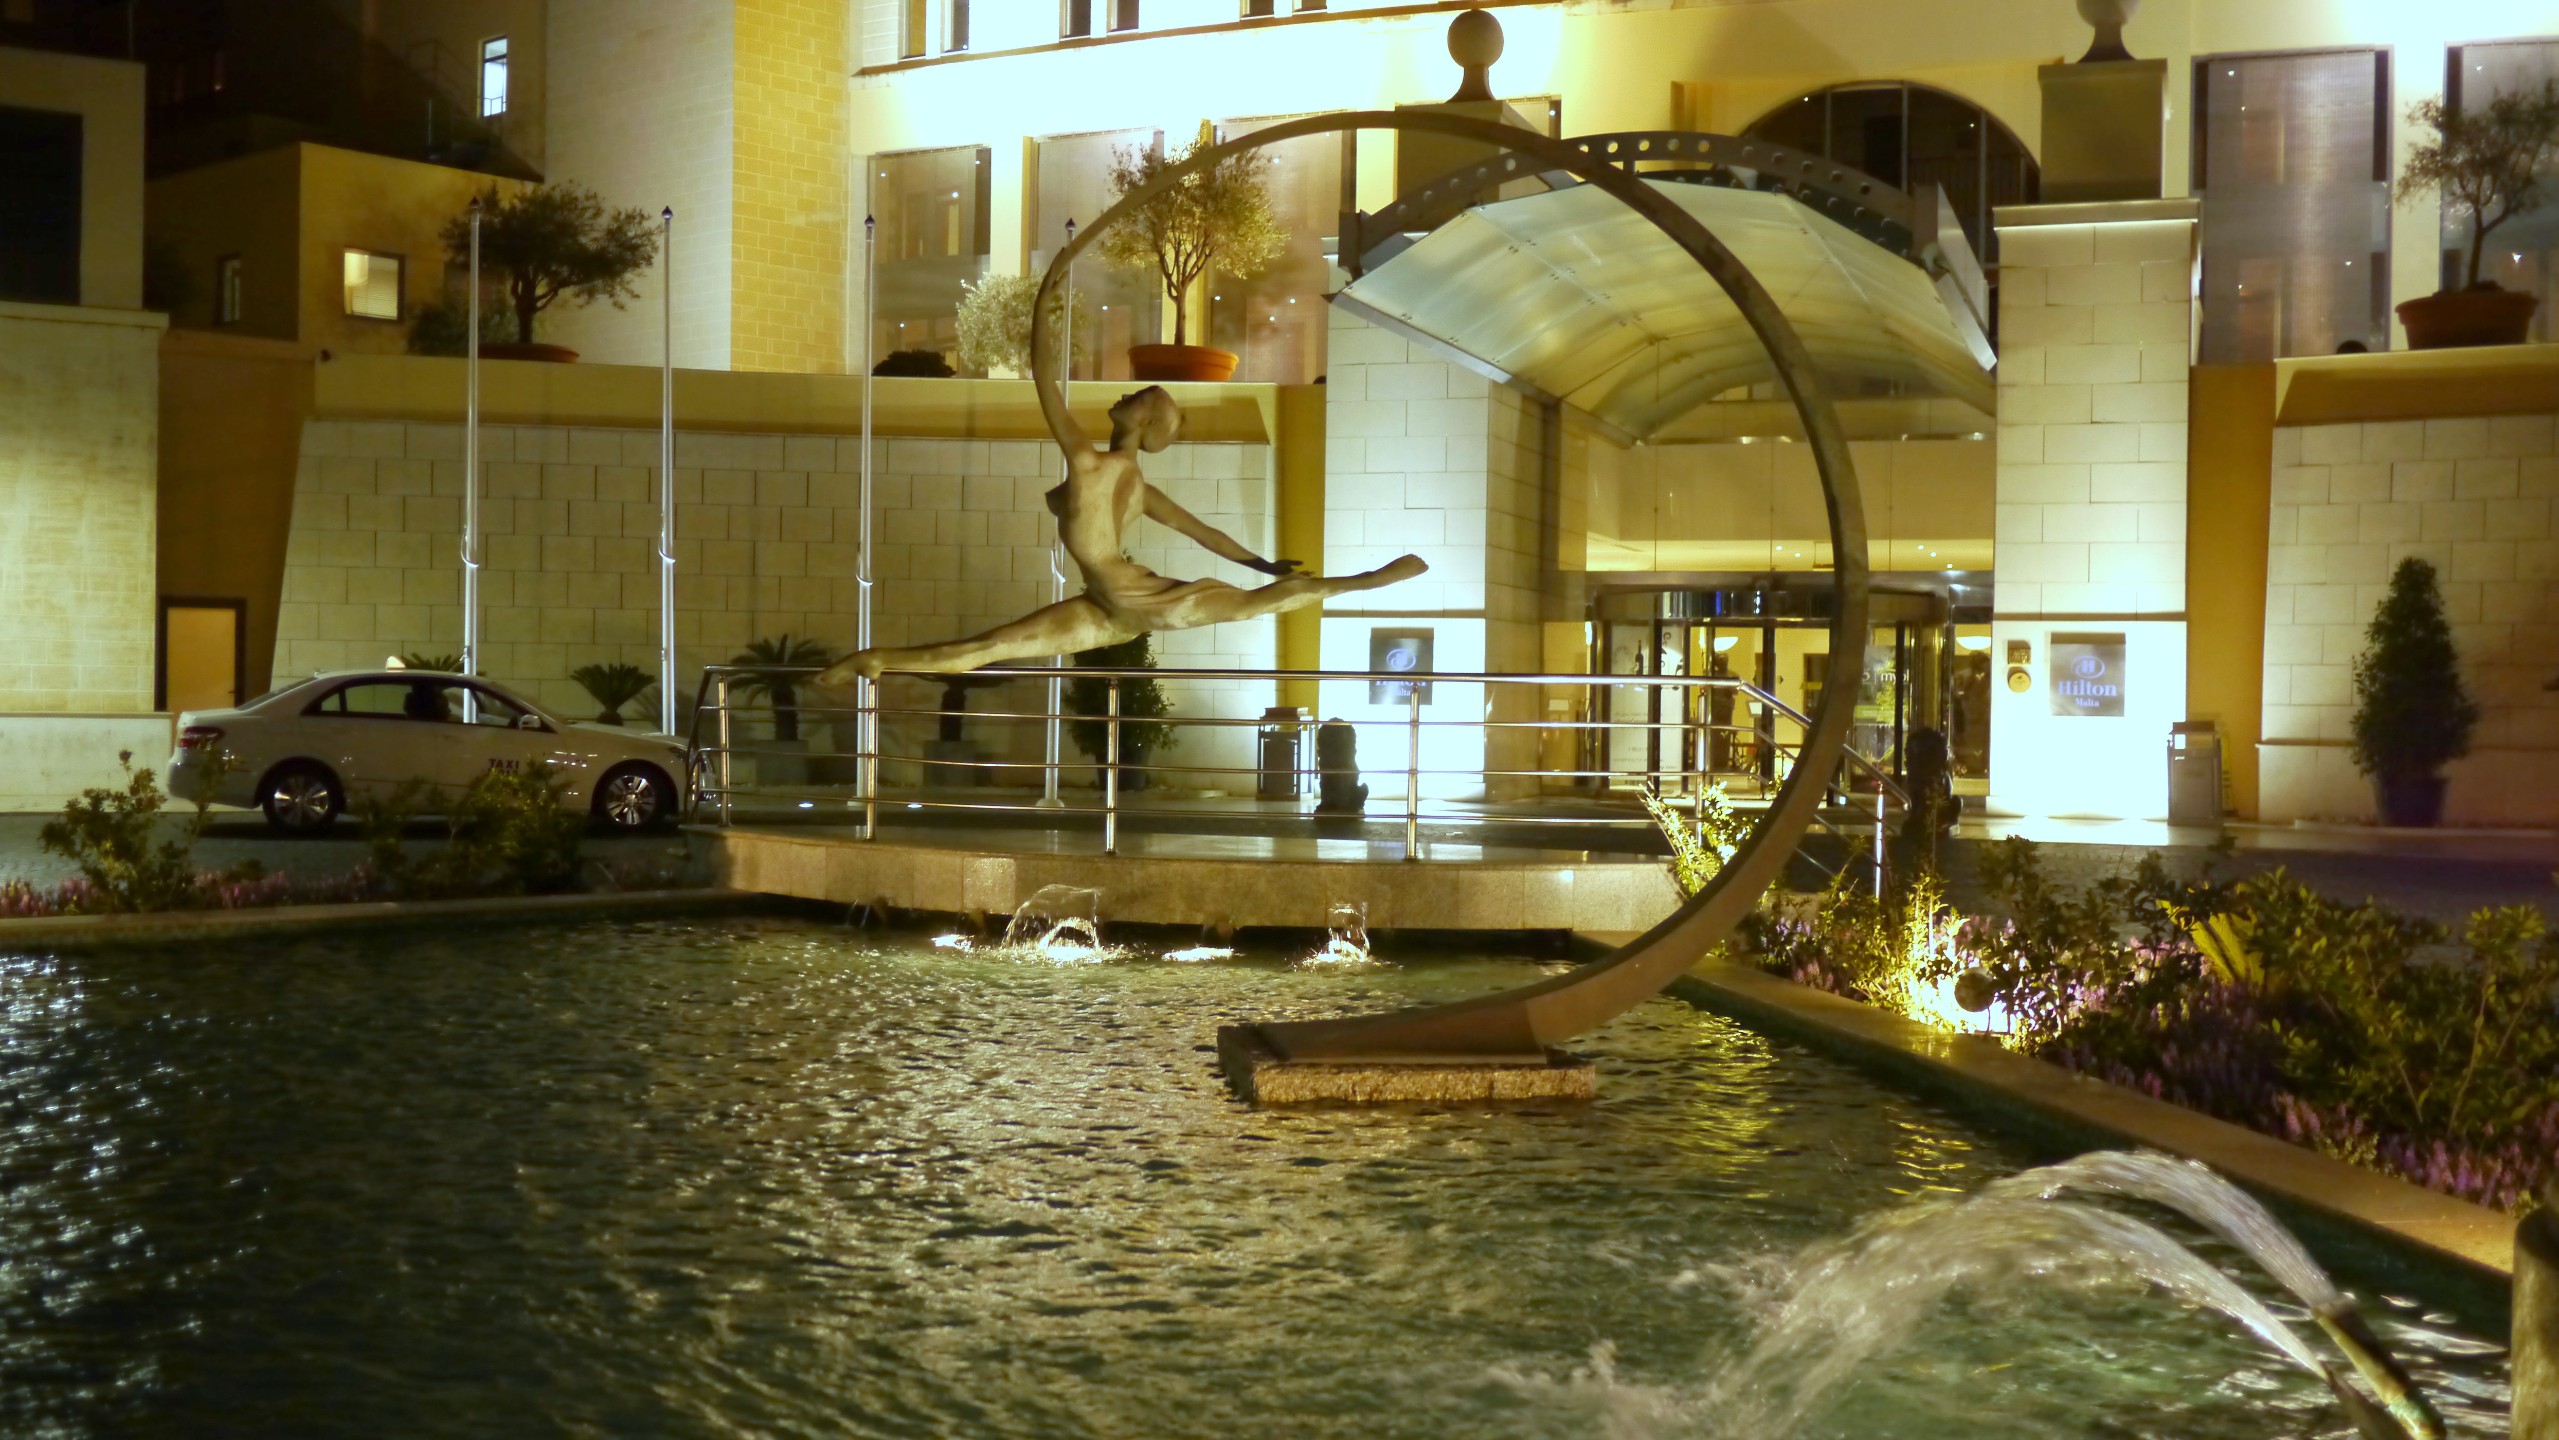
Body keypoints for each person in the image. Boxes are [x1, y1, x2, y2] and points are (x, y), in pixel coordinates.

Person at [821, 387, 1426, 682]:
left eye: (1134, 396)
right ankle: (874, 661)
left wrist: (1045, 312)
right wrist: (1262, 563)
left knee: (1253, 605)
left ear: (1144, 418)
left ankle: (1370, 579)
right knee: (993, 645)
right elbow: (1207, 535)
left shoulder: (1091, 463)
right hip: (1106, 606)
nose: (1122, 394)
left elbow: (1045, 385)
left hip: (1134, 596)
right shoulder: (1134, 483)